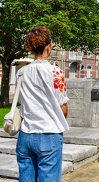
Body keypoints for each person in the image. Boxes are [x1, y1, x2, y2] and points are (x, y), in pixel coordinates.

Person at [16, 26, 70, 182]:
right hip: (49, 133)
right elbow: (63, 108)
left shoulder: (22, 72)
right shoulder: (56, 72)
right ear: (49, 45)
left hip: (25, 134)